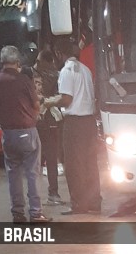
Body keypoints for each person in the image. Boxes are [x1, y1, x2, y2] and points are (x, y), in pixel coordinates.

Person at [0, 45, 52, 224]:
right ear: (17, 62)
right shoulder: (24, 80)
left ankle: (17, 214)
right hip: (27, 132)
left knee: (13, 174)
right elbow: (35, 104)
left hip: (7, 135)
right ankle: (35, 213)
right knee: (33, 173)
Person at [45, 38, 101, 215]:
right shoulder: (85, 70)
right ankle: (94, 202)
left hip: (75, 123)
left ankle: (78, 204)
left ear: (59, 54)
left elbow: (66, 99)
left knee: (74, 165)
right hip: (89, 122)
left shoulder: (66, 71)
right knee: (90, 163)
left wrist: (48, 102)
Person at [33, 49, 65, 206]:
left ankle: (38, 196)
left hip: (40, 121)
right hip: (46, 121)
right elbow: (61, 97)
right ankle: (52, 194)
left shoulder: (28, 75)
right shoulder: (57, 75)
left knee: (40, 160)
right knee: (49, 159)